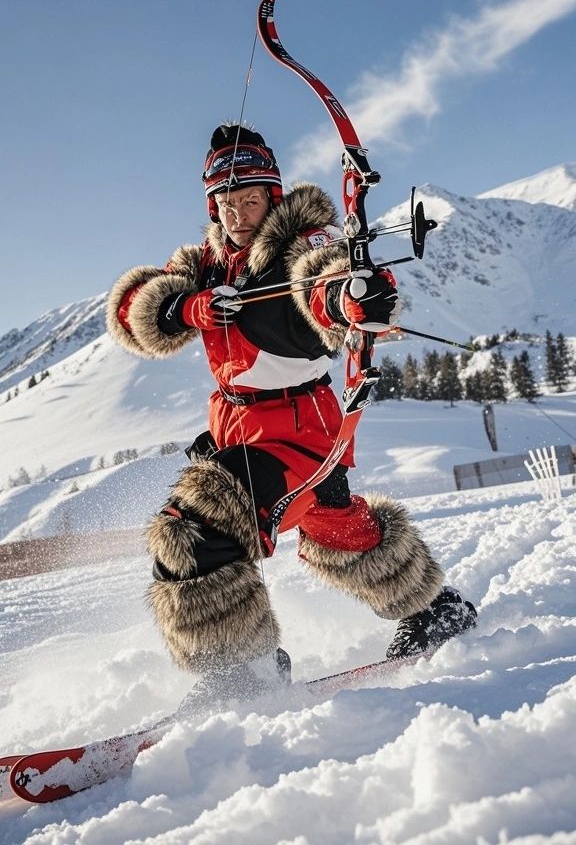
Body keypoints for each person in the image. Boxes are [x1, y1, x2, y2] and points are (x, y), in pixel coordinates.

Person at [106, 123, 476, 701]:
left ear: (272, 197)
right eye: (225, 203)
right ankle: (433, 608)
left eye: (249, 200)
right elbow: (132, 311)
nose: (236, 214)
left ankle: (242, 668)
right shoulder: (204, 261)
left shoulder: (296, 240)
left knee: (192, 530)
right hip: (236, 426)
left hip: (298, 429)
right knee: (335, 527)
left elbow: (324, 277)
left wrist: (349, 299)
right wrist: (183, 306)